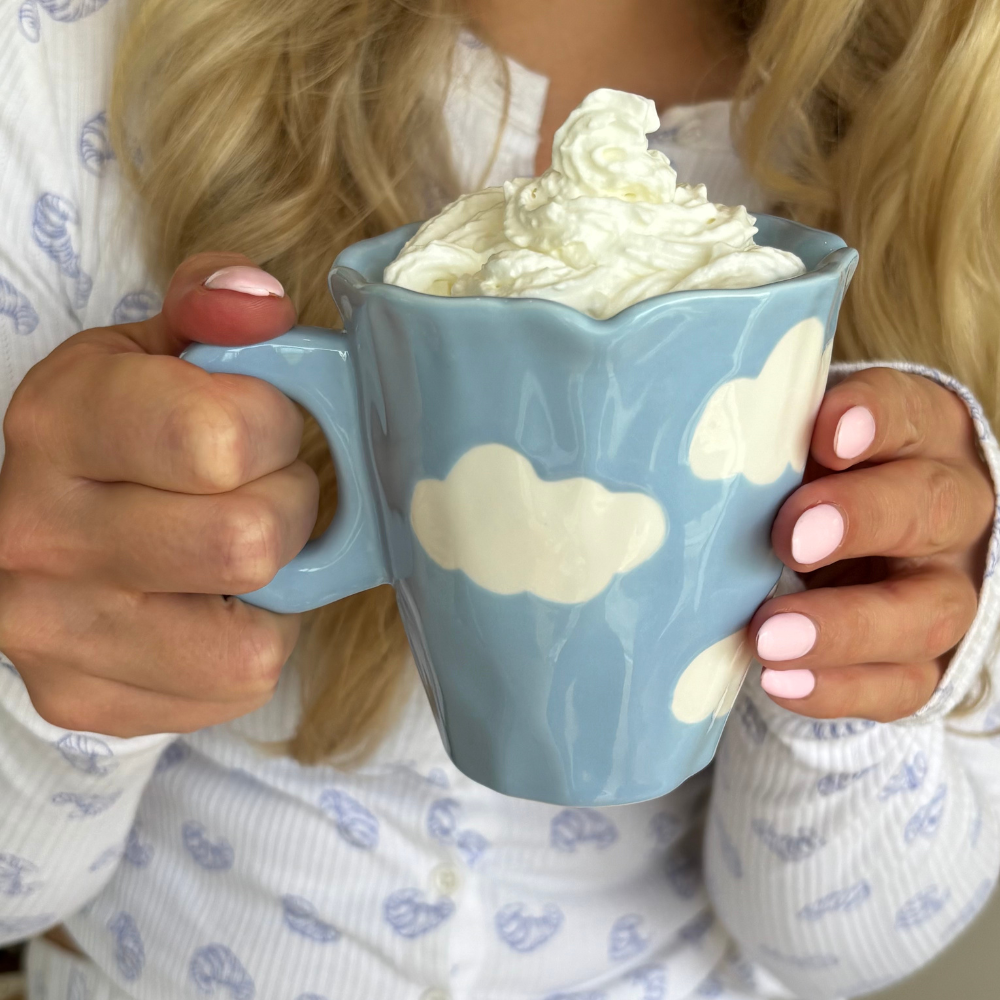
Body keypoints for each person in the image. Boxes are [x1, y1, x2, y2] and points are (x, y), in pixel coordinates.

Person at [1, 0, 999, 997]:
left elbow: (839, 949)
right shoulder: (64, 55)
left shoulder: (961, 126)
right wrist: (66, 651)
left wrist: (858, 657)